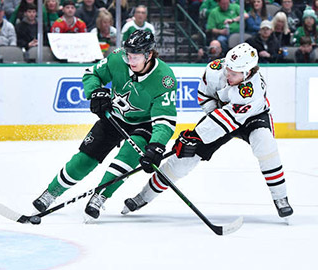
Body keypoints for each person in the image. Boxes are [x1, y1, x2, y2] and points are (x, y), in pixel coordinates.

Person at [121, 43, 294, 220]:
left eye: (234, 74)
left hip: (252, 117)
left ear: (247, 73)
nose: (228, 75)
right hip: (220, 116)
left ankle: (280, 198)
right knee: (183, 159)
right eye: (228, 69)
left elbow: (229, 118)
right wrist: (204, 127)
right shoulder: (214, 70)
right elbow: (204, 96)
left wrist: (196, 135)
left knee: (265, 145)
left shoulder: (253, 89)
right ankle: (143, 196)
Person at [32, 30, 178, 220]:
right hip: (114, 116)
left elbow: (164, 120)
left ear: (149, 55)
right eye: (128, 55)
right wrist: (96, 92)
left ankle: (100, 196)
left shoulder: (164, 79)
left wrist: (157, 145)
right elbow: (91, 74)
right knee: (84, 160)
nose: (130, 61)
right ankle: (51, 193)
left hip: (145, 123)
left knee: (127, 156)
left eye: (135, 57)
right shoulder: (117, 59)